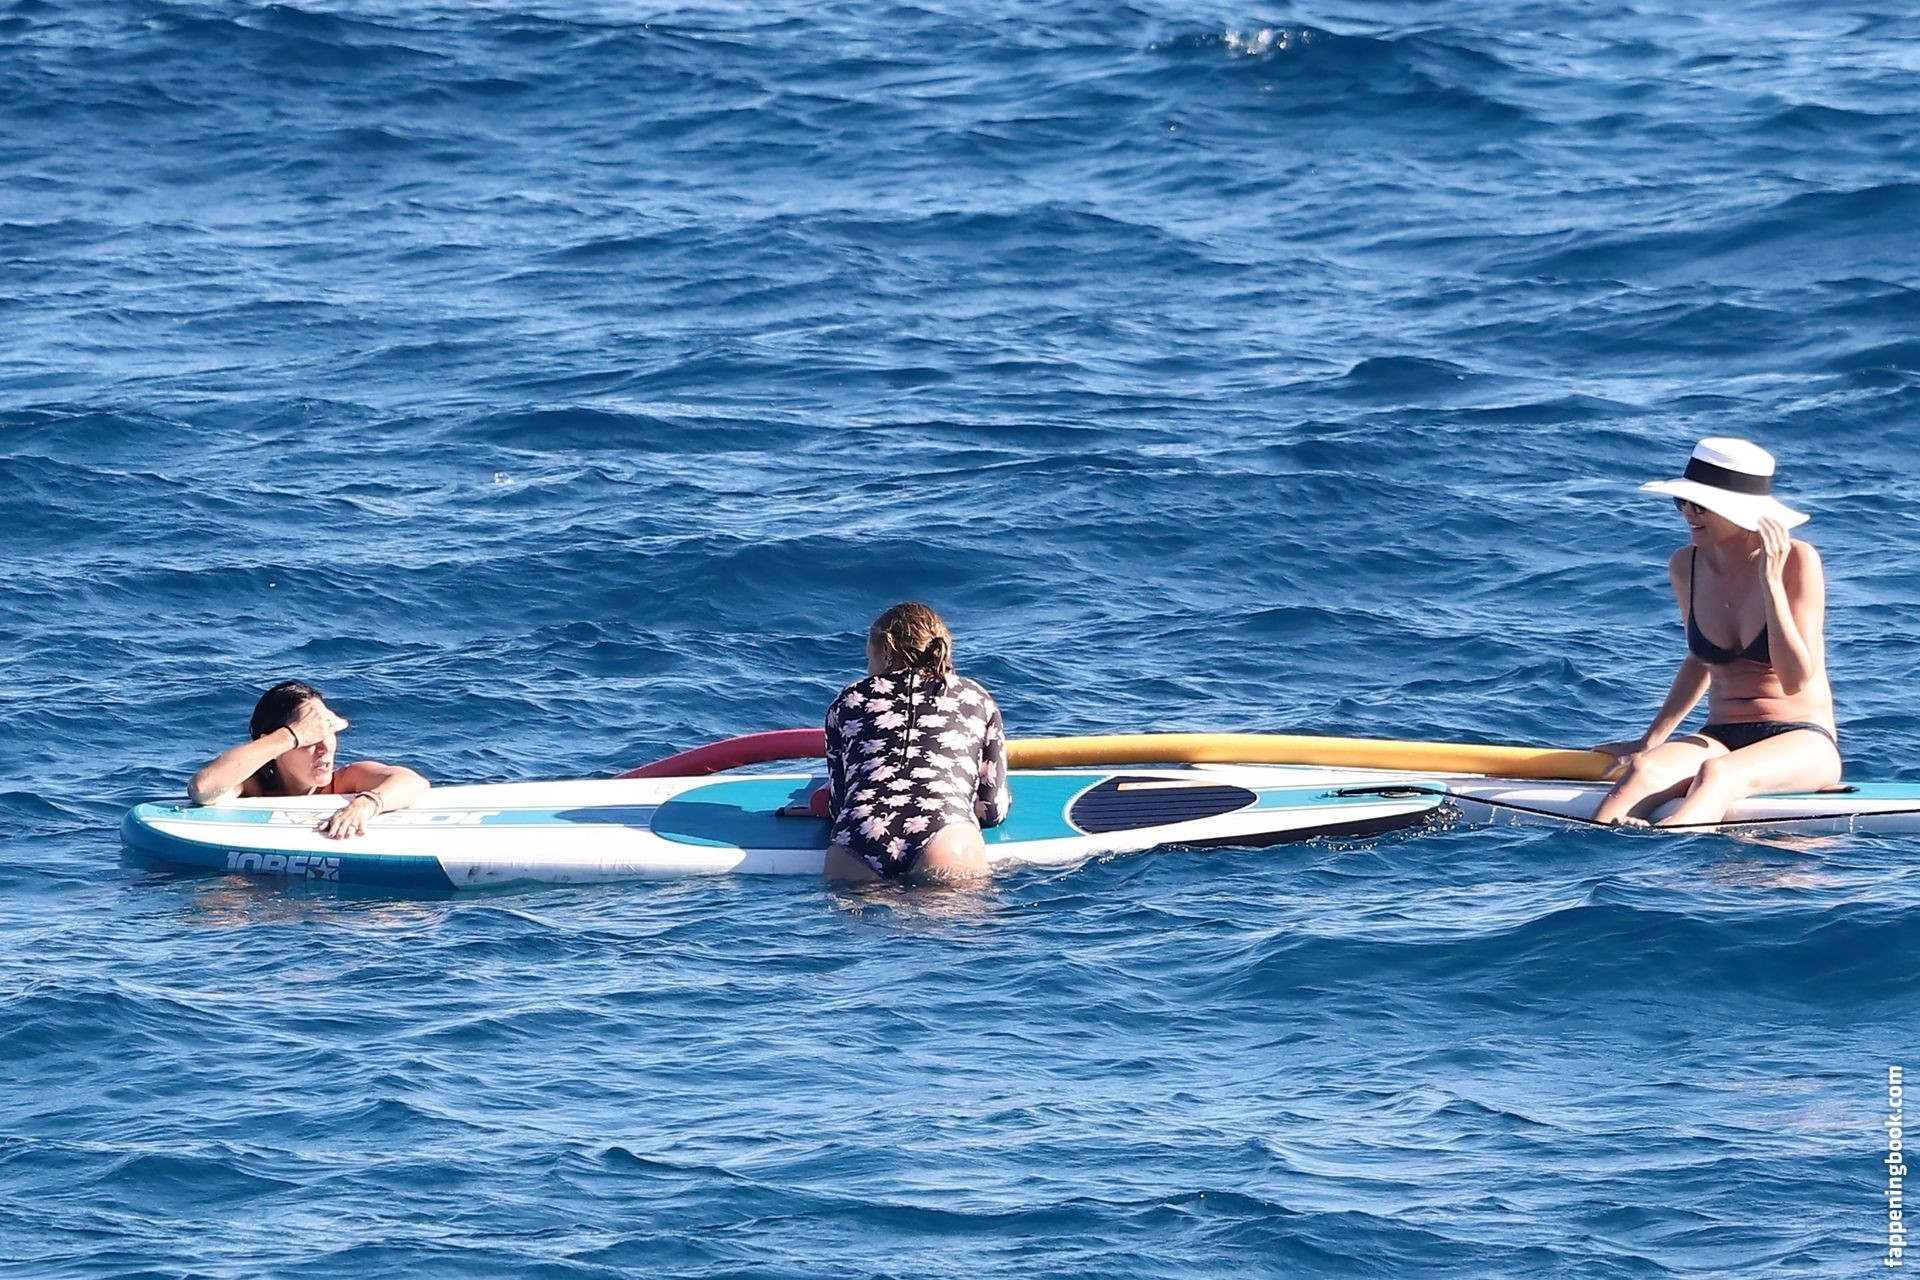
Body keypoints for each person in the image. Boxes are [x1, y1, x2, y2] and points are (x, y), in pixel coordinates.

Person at [1593, 438, 1840, 827]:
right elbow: (1700, 660)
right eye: (1682, 502)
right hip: (1720, 735)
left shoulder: (1797, 561)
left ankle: (1671, 851)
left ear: (1739, 510)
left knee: (1717, 774)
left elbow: (1794, 679)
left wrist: (1771, 582)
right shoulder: (1685, 565)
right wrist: (1650, 740)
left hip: (1801, 739)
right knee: (1644, 770)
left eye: (1700, 506)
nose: (1688, 514)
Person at [822, 603, 1011, 883]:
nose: (868, 668)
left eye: (868, 659)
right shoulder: (977, 698)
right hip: (945, 831)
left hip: (861, 831)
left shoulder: (849, 698)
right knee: (953, 908)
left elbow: (838, 804)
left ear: (886, 652)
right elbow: (992, 809)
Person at [187, 681, 430, 840]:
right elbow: (202, 788)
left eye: (328, 733)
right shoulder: (253, 787)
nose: (324, 747)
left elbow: (414, 782)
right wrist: (290, 736)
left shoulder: (343, 783)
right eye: (310, 738)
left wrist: (367, 804)